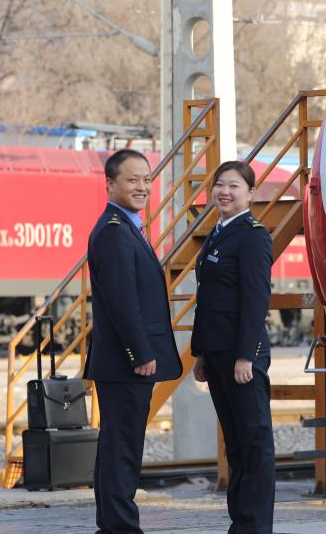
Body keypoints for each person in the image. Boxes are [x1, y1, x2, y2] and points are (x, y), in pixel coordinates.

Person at [84, 148, 182, 534]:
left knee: (117, 447)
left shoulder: (125, 227)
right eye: (132, 179)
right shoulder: (113, 231)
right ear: (110, 184)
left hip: (122, 361)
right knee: (123, 449)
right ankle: (121, 527)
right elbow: (121, 299)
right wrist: (140, 352)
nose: (142, 186)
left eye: (147, 179)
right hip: (127, 363)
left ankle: (112, 526)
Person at [191, 161, 275, 534]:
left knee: (254, 443)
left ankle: (255, 526)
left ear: (251, 194)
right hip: (218, 353)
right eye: (220, 185)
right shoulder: (218, 232)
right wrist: (202, 354)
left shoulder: (253, 236)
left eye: (234, 186)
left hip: (241, 356)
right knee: (236, 444)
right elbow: (208, 298)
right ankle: (241, 523)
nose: (225, 192)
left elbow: (256, 301)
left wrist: (246, 355)